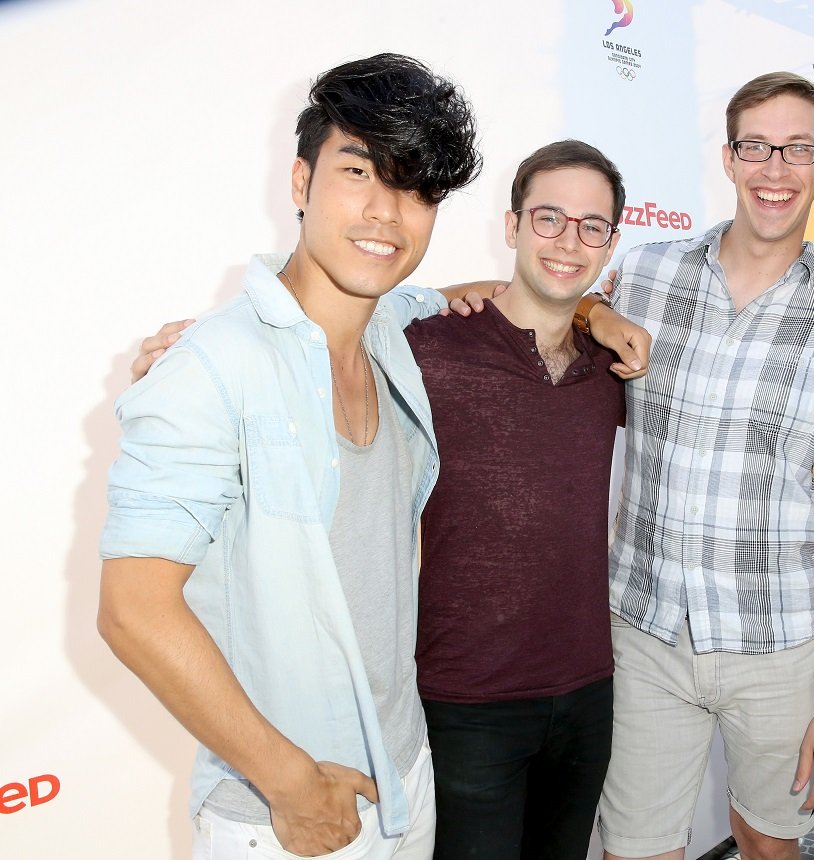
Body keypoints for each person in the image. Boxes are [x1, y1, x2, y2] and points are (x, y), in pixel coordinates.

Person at [98, 54, 483, 860]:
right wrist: (291, 784)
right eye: (358, 171)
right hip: (284, 811)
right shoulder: (209, 366)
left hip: (404, 772)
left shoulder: (388, 330)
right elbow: (133, 608)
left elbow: (460, 296)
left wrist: (587, 304)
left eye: (414, 188)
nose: (385, 212)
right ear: (302, 182)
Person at [599, 71, 814, 860]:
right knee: (634, 848)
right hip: (645, 629)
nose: (774, 168)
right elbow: (547, 304)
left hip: (780, 641)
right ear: (728, 158)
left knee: (767, 843)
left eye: (798, 149)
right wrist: (593, 308)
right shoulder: (644, 273)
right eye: (755, 146)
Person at [408, 139, 626, 859]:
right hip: (468, 700)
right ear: (511, 226)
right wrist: (201, 341)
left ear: (611, 242)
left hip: (588, 689)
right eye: (549, 219)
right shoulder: (430, 345)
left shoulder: (612, 369)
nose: (570, 241)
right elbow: (323, 336)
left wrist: (597, 313)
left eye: (591, 226)